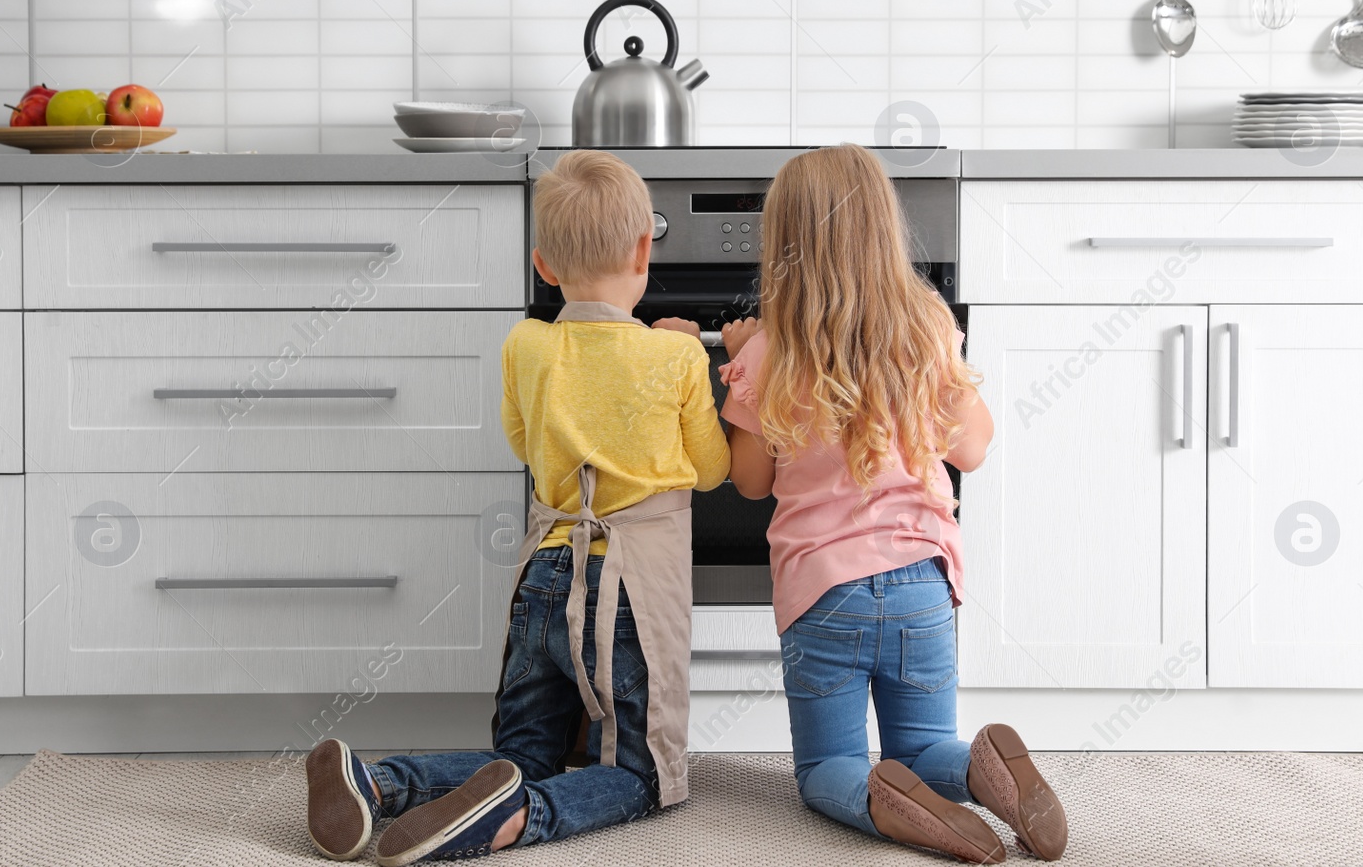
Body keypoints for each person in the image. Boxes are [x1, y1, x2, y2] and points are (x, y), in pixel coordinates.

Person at [305, 149, 729, 864]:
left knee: (523, 750)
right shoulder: (675, 358)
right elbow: (714, 470)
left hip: (543, 574)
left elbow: (522, 441)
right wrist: (682, 349)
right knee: (642, 775)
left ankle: (378, 782)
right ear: (642, 249)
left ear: (543, 264)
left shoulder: (525, 343)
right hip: (628, 595)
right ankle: (513, 819)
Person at [718, 143, 1067, 864]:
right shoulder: (926, 327)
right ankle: (978, 768)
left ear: (782, 244)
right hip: (922, 585)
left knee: (825, 769)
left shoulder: (770, 350)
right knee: (927, 744)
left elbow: (749, 480)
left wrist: (738, 371)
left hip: (824, 594)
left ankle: (892, 806)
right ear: (884, 227)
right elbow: (971, 448)